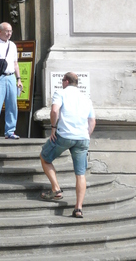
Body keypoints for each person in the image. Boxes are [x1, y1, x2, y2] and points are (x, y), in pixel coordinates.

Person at [39, 72, 96, 219]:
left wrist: (53, 127)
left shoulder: (60, 93)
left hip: (64, 135)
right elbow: (92, 121)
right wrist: (86, 136)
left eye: (62, 80)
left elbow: (54, 110)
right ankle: (78, 208)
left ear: (66, 81)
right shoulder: (86, 98)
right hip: (83, 138)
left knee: (45, 157)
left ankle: (56, 188)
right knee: (80, 174)